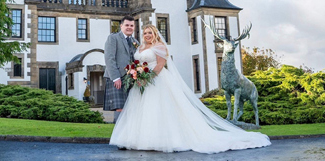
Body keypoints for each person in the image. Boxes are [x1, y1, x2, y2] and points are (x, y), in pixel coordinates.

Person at [110, 24, 271, 153]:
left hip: (156, 81)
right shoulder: (140, 47)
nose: (147, 35)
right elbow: (138, 63)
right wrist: (136, 74)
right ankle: (140, 139)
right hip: (140, 83)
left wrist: (147, 79)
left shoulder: (159, 46)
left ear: (155, 34)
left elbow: (159, 65)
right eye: (145, 33)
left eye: (150, 33)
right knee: (142, 111)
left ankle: (161, 139)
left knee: (157, 110)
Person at [103, 15, 139, 123]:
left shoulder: (135, 42)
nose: (129, 27)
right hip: (116, 77)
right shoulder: (113, 38)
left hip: (131, 79)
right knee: (119, 107)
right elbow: (109, 58)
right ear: (121, 26)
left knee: (131, 106)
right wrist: (115, 78)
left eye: (131, 25)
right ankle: (118, 135)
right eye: (127, 25)